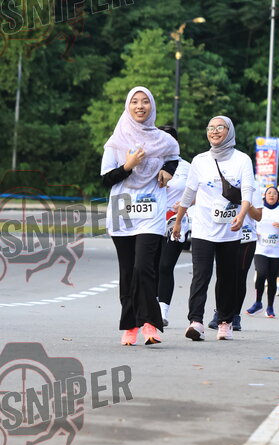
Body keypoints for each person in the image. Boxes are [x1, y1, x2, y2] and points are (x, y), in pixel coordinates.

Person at [101, 87, 180, 345]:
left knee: (144, 266)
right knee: (127, 270)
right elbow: (106, 179)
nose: (140, 106)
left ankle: (150, 323)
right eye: (134, 101)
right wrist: (128, 166)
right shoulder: (116, 141)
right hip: (123, 208)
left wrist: (168, 170)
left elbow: (174, 158)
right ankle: (130, 326)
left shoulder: (164, 140)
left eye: (145, 101)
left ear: (152, 106)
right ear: (128, 106)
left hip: (151, 209)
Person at [171, 116, 254, 341]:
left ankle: (225, 322)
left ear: (229, 131)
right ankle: (196, 322)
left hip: (230, 229)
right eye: (210, 127)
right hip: (203, 228)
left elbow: (247, 191)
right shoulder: (199, 160)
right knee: (201, 275)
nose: (214, 131)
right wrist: (178, 221)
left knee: (227, 277)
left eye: (220, 127)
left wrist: (242, 215)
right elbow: (189, 192)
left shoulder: (242, 160)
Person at [208, 181, 263, 331]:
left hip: (246, 238)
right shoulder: (221, 181)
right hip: (225, 236)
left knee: (239, 277)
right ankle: (220, 313)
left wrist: (246, 202)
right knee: (223, 276)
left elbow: (258, 216)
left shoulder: (254, 186)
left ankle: (235, 315)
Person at [155, 125, 191, 327]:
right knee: (149, 266)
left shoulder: (187, 167)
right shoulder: (149, 164)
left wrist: (186, 204)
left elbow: (199, 193)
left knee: (165, 266)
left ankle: (162, 312)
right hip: (151, 221)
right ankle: (149, 307)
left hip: (176, 222)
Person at [246, 186, 279, 319]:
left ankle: (270, 307)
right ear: (265, 196)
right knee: (261, 273)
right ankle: (257, 302)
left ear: (278, 196)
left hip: (276, 251)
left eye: (274, 193)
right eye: (269, 193)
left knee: (272, 279)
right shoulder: (259, 210)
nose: (272, 195)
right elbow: (250, 225)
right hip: (260, 249)